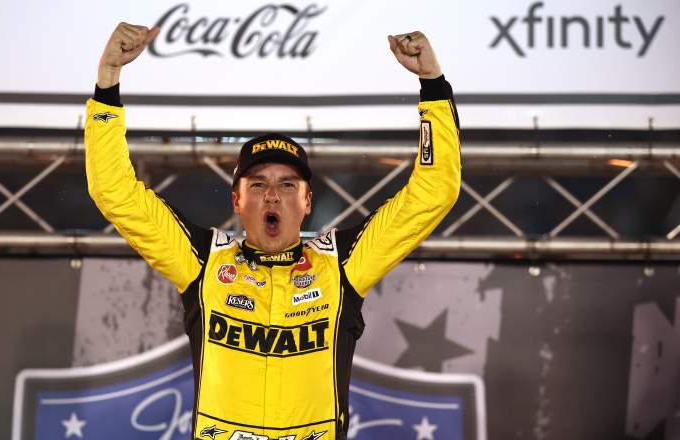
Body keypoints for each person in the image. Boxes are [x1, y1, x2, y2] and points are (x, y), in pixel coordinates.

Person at [86, 22, 461, 440]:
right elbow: (114, 191)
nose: (272, 196)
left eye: (287, 185)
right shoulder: (203, 259)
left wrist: (433, 87)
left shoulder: (341, 264)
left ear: (307, 202)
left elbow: (433, 193)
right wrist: (107, 85)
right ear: (236, 201)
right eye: (258, 184)